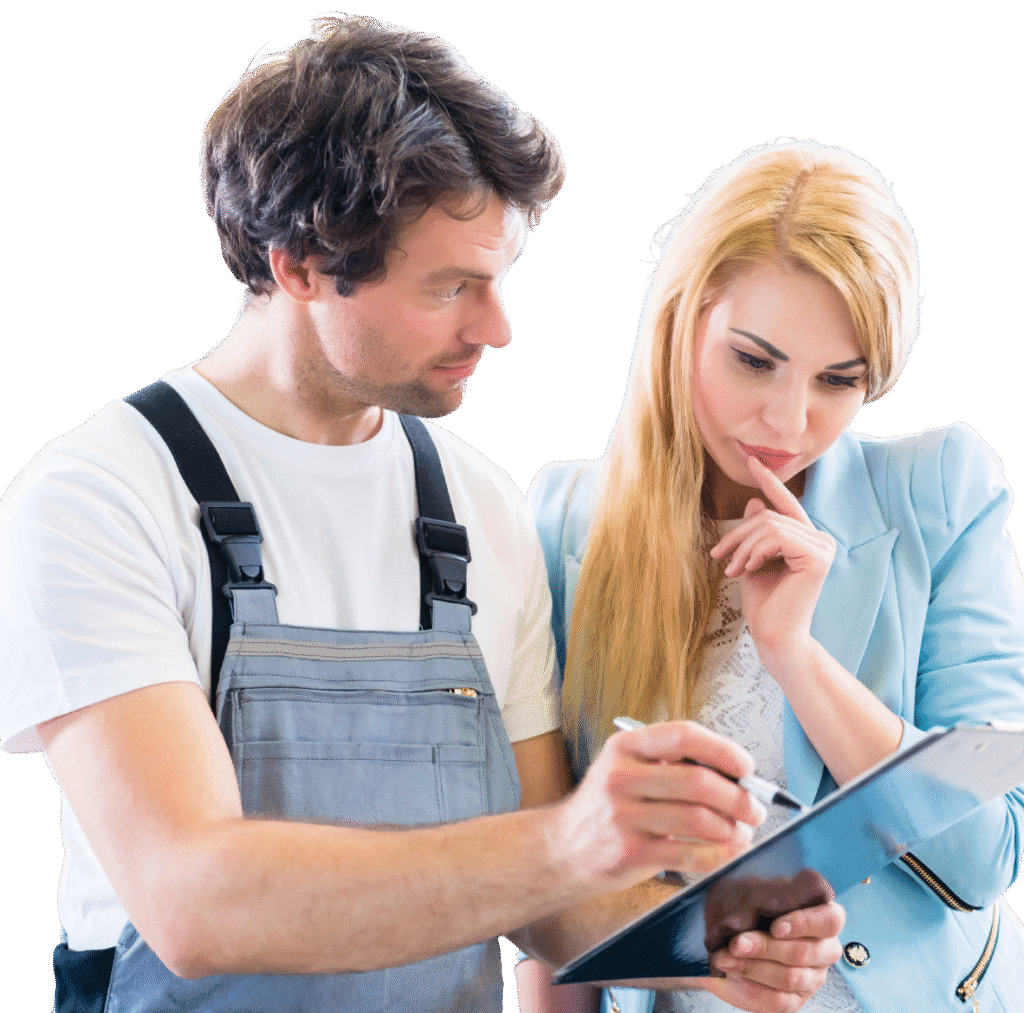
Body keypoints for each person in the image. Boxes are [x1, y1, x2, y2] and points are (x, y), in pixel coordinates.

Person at [0, 17, 844, 1013]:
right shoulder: (100, 495)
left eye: (499, 281)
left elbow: (546, 898)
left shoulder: (479, 504)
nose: (497, 328)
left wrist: (712, 935)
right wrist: (568, 841)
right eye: (450, 288)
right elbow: (194, 901)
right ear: (300, 265)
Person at [527, 137, 1024, 1012]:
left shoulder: (940, 492)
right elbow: (552, 872)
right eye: (754, 361)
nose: (789, 421)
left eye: (839, 379)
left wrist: (794, 652)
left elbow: (985, 858)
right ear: (681, 321)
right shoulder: (565, 515)